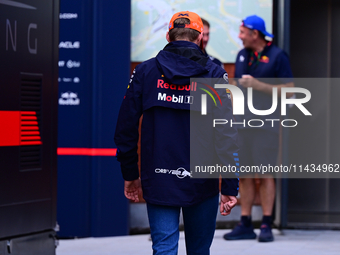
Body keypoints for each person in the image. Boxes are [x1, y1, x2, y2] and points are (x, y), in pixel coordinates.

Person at [114, 11, 239, 255]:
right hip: (203, 180)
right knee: (199, 251)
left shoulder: (145, 72)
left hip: (159, 176)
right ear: (201, 37)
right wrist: (230, 185)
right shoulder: (214, 74)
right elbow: (226, 134)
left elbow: (125, 128)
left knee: (163, 249)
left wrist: (130, 173)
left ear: (168, 36)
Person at [223, 15, 294, 242]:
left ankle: (266, 223)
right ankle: (245, 223)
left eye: (243, 32)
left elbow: (290, 91)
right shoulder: (242, 55)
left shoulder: (277, 56)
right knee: (243, 175)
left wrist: (258, 85)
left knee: (264, 173)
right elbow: (235, 86)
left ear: (255, 34)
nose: (239, 36)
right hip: (242, 125)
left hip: (266, 125)